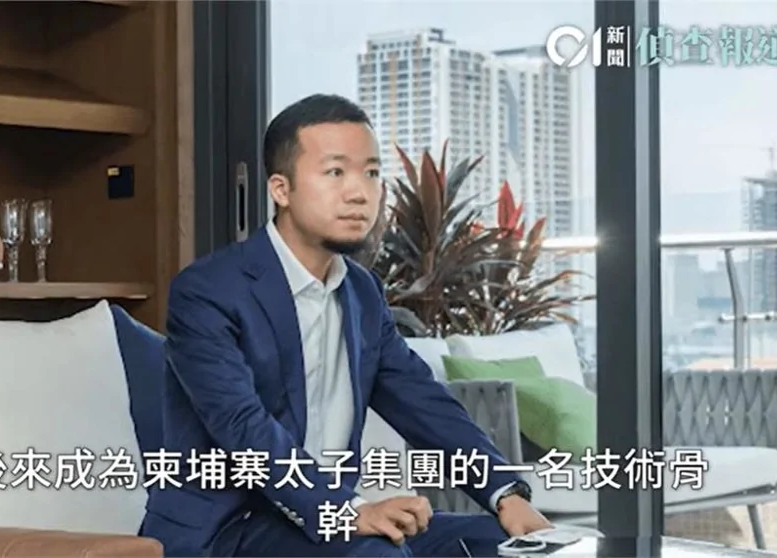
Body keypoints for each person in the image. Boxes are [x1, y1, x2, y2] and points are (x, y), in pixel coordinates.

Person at [140, 93, 551, 557]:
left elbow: (423, 402)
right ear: (281, 190)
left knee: (512, 547)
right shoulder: (208, 290)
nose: (359, 193)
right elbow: (241, 426)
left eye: (371, 173)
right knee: (377, 554)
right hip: (229, 531)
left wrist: (505, 494)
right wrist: (347, 511)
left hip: (328, 526)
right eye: (335, 172)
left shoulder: (362, 291)